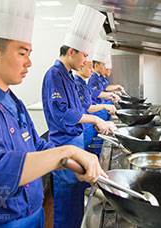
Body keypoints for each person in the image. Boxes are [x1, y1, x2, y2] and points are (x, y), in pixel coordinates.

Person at [0, 1, 106, 227]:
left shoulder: (15, 103)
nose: (29, 62)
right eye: (22, 53)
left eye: (29, 53)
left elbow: (38, 147)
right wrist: (69, 150)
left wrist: (79, 166)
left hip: (35, 216)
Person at [41, 4, 116, 228]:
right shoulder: (54, 75)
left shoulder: (68, 75)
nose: (86, 62)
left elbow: (81, 107)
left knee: (75, 198)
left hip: (75, 142)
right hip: (64, 144)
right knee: (66, 203)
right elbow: (64, 114)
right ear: (71, 51)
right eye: (84, 55)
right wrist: (95, 119)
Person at [74, 59, 116, 153]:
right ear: (81, 67)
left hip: (88, 124)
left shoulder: (82, 83)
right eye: (90, 67)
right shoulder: (77, 84)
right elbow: (88, 107)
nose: (92, 70)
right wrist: (103, 109)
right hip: (83, 127)